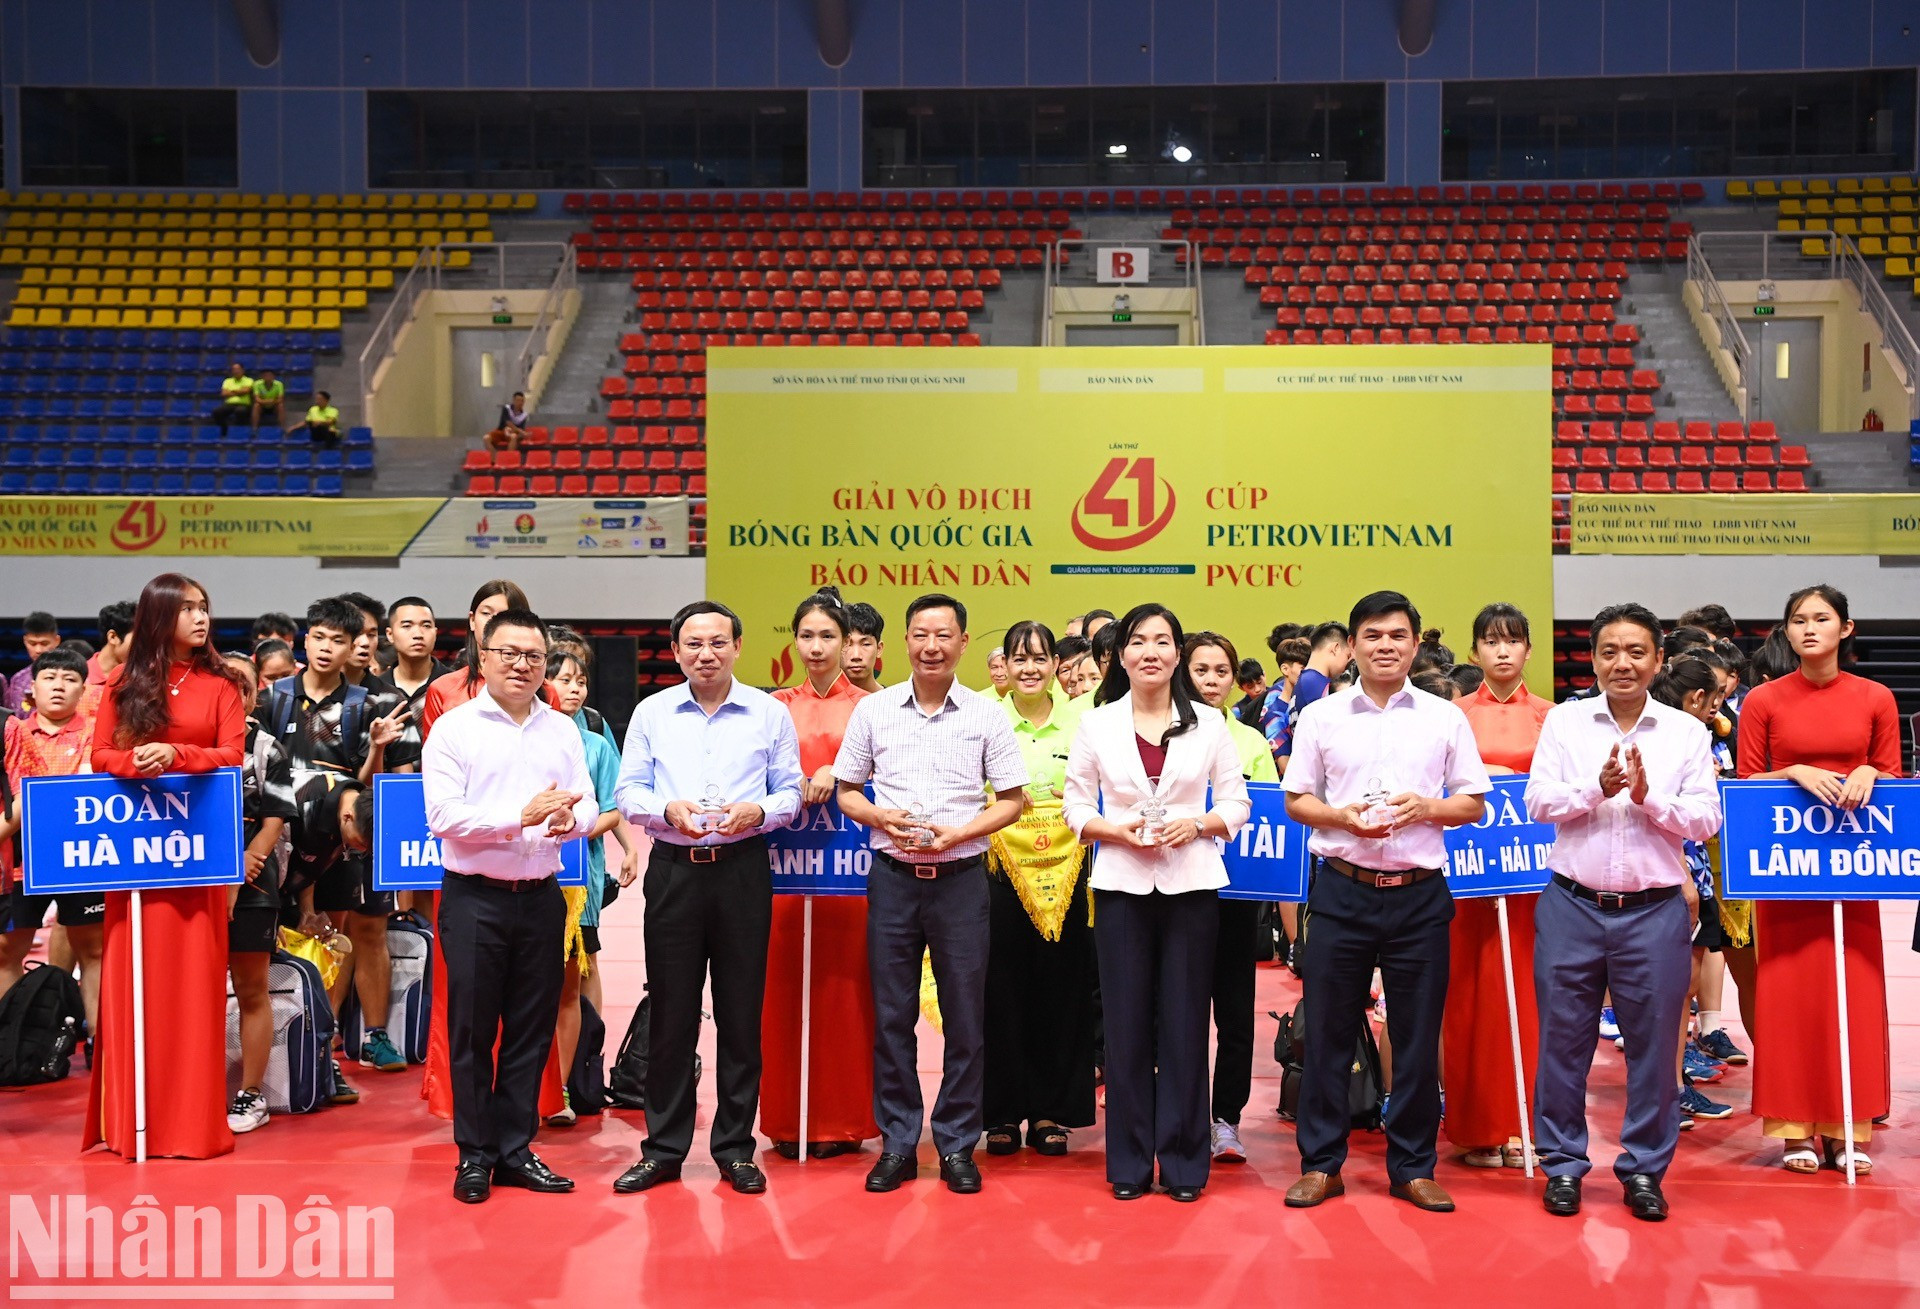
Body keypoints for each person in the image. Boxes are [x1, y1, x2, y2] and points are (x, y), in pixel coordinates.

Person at [1281, 591, 1491, 1214]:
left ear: (1416, 642)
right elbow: (1297, 801)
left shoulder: (1443, 716)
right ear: (1352, 645)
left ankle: (1412, 1166)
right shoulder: (1321, 717)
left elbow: (1472, 802)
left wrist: (1426, 807)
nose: (1385, 646)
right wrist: (1340, 818)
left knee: (1418, 1036)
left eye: (1397, 635)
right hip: (1342, 888)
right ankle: (1322, 1164)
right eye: (1372, 636)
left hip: (1419, 895)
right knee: (1326, 1032)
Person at [1525, 603, 1721, 1221]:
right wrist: (1596, 790)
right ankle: (1562, 1164)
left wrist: (1646, 796)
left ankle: (1643, 1169)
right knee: (1561, 1043)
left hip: (1655, 911)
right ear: (1593, 658)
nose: (1622, 663)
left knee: (1655, 1048)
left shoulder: (1686, 733)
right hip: (1571, 905)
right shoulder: (1565, 722)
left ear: (1657, 659)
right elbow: (1537, 802)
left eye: (1636, 651)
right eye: (1609, 651)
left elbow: (1707, 819)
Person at [834, 593, 1027, 1195]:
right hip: (892, 880)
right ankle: (897, 1142)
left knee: (966, 1019)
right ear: (906, 642)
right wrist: (881, 818)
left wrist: (961, 832)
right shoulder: (875, 712)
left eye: (944, 635)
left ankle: (955, 1144)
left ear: (963, 643)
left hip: (962, 881)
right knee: (892, 1016)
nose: (932, 646)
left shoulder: (987, 715)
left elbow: (1014, 799)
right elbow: (845, 790)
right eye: (921, 634)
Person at [610, 600, 800, 1195]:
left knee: (743, 1015)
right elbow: (628, 788)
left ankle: (735, 1149)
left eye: (718, 643)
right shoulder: (652, 712)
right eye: (693, 644)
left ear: (738, 646)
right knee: (672, 1014)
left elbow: (791, 790)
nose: (706, 654)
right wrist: (664, 808)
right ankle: (663, 1148)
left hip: (743, 868)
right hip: (674, 872)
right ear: (675, 651)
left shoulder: (768, 713)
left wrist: (761, 811)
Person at [1062, 607, 1249, 1202]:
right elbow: (1073, 807)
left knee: (1188, 1027)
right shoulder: (1098, 724)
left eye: (1162, 642)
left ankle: (1187, 1163)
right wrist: (1114, 832)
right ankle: (1130, 1163)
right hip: (1120, 888)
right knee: (1125, 1029)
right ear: (1120, 656)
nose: (1150, 652)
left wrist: (1197, 825)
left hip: (1191, 887)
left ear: (1177, 654)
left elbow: (1239, 805)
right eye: (1138, 642)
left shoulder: (1211, 724)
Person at [424, 605, 597, 1204]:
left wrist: (569, 819)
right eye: (510, 654)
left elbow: (590, 808)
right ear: (483, 657)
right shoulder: (454, 728)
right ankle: (474, 1154)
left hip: (543, 897)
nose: (523, 666)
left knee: (529, 1030)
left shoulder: (562, 729)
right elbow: (442, 817)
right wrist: (516, 817)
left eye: (534, 656)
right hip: (475, 898)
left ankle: (515, 1148)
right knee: (473, 1031)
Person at [1738, 583, 1900, 1176]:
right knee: (1788, 997)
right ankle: (1793, 1129)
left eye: (1822, 618)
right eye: (1798, 620)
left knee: (1853, 994)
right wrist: (1796, 771)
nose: (1809, 628)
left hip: (1853, 869)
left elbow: (1893, 777)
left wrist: (1866, 770)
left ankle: (1848, 1124)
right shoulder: (1762, 701)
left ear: (1846, 629)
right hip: (1785, 873)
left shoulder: (1877, 697)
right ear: (1786, 632)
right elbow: (1746, 782)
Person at [86, 573, 249, 1159]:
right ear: (158, 617)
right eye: (186, 610)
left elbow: (234, 753)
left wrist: (178, 754)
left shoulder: (223, 683)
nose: (200, 619)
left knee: (196, 991)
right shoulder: (123, 685)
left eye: (204, 608)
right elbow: (101, 754)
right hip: (134, 859)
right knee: (135, 986)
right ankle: (132, 1122)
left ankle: (190, 1124)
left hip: (199, 856)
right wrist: (136, 762)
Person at [260, 598, 412, 1097]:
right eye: (319, 638)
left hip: (343, 842)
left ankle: (327, 1055)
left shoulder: (372, 706)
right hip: (278, 843)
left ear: (354, 649)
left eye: (339, 641)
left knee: (332, 941)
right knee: (279, 947)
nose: (327, 649)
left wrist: (377, 748)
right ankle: (287, 1051)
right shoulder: (274, 699)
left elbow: (371, 787)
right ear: (304, 640)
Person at [762, 589, 880, 1160]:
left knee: (847, 993)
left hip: (852, 873)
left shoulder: (874, 706)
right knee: (782, 992)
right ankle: (787, 1118)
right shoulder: (772, 704)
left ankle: (844, 1119)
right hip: (783, 871)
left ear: (849, 643)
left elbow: (887, 770)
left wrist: (842, 770)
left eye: (828, 636)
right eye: (806, 635)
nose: (816, 647)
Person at [1446, 603, 1554, 1170]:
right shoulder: (1451, 716)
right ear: (1475, 653)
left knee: (1530, 997)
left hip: (1533, 878)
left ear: (1530, 651)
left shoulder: (1553, 717)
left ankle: (1525, 1123)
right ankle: (1476, 1126)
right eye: (1491, 641)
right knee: (1468, 995)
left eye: (1513, 641)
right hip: (1466, 879)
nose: (1503, 651)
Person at [983, 620, 1095, 1160]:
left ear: (1056, 665)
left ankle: (1051, 1111)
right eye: (1018, 657)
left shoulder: (1084, 721)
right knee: (998, 991)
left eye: (1039, 658)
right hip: (997, 875)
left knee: (1061, 989)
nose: (1029, 668)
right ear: (1003, 664)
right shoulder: (982, 715)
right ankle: (1000, 1112)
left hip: (1069, 874)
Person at [1183, 632, 1277, 1166]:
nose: (1212, 680)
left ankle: (1227, 1120)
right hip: (1180, 895)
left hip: (1238, 897)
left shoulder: (1253, 744)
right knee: (1181, 1011)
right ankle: (1185, 1113)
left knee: (1235, 1016)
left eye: (1222, 671)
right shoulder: (1165, 735)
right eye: (1202, 670)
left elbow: (1268, 819)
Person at [1646, 655, 1739, 1126]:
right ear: (1699, 698)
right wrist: (1684, 876)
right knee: (1673, 988)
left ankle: (1674, 1082)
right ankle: (1669, 1088)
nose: (1718, 709)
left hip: (1693, 874)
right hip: (1676, 876)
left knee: (1681, 986)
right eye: (1716, 698)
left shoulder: (1693, 736)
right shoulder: (1674, 740)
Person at [539, 650, 626, 1128]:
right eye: (563, 679)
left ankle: (566, 1086)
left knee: (572, 980)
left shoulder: (595, 742)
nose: (573, 689)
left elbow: (615, 806)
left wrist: (578, 825)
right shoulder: (521, 737)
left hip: (578, 882)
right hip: (520, 877)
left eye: (579, 681)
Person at [0, 648, 103, 1043]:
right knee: (9, 951)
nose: (58, 686)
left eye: (69, 679)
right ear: (33, 687)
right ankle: (12, 1043)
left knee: (93, 951)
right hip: (24, 860)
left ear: (83, 689)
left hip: (86, 858)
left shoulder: (100, 736)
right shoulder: (14, 733)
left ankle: (98, 1038)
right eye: (50, 677)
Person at [219, 654, 299, 1135]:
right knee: (201, 992)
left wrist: (249, 858)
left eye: (242, 686)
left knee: (252, 988)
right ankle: (200, 1087)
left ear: (254, 694)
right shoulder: (190, 743)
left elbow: (277, 813)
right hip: (198, 881)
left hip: (253, 880)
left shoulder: (267, 745)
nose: (233, 692)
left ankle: (250, 1094)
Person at [1289, 621, 1351, 728]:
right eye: (1347, 656)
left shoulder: (1305, 680)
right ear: (1336, 648)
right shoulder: (1316, 684)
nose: (1347, 664)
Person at [4, 612, 60, 717]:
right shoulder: (18, 680)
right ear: (25, 641)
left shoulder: (69, 677)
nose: (38, 650)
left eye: (44, 643)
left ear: (57, 640)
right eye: (32, 643)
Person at [841, 602, 886, 694]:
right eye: (847, 644)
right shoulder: (821, 705)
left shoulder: (894, 704)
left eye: (866, 644)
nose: (856, 656)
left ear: (879, 649)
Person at [214, 362, 254, 433]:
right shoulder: (227, 381)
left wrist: (231, 392)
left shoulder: (249, 380)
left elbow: (246, 391)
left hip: (243, 404)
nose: (236, 371)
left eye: (238, 369)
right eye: (234, 369)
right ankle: (224, 428)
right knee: (217, 412)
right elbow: (224, 393)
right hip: (229, 404)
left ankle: (240, 430)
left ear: (243, 370)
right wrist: (239, 392)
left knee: (240, 411)